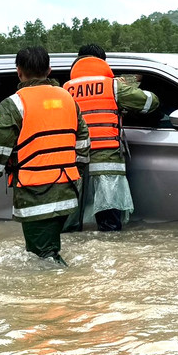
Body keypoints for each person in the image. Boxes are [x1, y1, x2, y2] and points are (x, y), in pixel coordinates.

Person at [0, 46, 90, 265]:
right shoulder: (69, 100)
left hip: (35, 195)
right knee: (47, 250)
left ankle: (63, 296)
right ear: (49, 70)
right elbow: (83, 145)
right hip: (67, 192)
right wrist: (75, 174)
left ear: (18, 72)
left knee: (44, 259)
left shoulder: (13, 105)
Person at [64, 43, 159, 232]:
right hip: (107, 165)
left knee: (70, 226)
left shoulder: (65, 89)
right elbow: (151, 102)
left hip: (75, 165)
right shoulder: (113, 86)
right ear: (102, 62)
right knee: (109, 229)